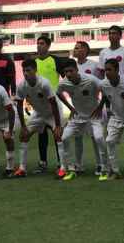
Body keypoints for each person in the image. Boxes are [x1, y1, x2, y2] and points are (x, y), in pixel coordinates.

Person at [12, 59, 66, 178]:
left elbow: (54, 104)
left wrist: (57, 125)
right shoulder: (22, 85)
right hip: (39, 113)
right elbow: (19, 106)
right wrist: (23, 126)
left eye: (28, 70)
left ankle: (63, 168)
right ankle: (22, 168)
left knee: (58, 135)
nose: (25, 73)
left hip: (53, 112)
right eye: (24, 71)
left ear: (35, 70)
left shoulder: (44, 83)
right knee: (24, 136)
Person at [56, 59, 106, 181]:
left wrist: (100, 107)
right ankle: (72, 167)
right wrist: (70, 108)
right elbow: (58, 93)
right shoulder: (64, 83)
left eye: (71, 71)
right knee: (64, 137)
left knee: (98, 138)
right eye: (66, 72)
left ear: (77, 70)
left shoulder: (91, 80)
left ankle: (103, 166)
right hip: (77, 116)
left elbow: (105, 89)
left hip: (94, 116)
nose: (68, 74)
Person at [98, 25, 124, 175]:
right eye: (109, 33)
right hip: (114, 105)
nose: (111, 36)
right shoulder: (103, 53)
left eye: (115, 33)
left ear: (120, 36)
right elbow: (102, 75)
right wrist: (105, 107)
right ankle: (114, 171)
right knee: (109, 141)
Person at [34, 35, 68, 174]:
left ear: (48, 46)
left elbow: (66, 78)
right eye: (38, 43)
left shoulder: (56, 60)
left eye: (42, 43)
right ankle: (43, 163)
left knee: (57, 132)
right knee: (41, 133)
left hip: (54, 102)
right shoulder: (33, 62)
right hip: (40, 104)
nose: (39, 46)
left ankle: (61, 162)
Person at [72, 40, 103, 175]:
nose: (75, 50)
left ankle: (100, 164)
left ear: (85, 50)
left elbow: (101, 85)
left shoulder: (94, 66)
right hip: (78, 108)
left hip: (92, 108)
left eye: (77, 48)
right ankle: (78, 165)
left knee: (95, 137)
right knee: (77, 138)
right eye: (75, 48)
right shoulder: (71, 66)